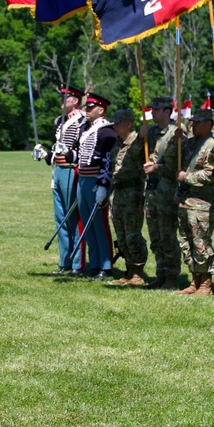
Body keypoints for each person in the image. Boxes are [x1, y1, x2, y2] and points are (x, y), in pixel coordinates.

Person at [33, 85, 85, 275]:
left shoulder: (82, 121)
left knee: (73, 218)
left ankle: (78, 261)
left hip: (72, 170)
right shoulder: (60, 121)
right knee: (60, 218)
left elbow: (81, 150)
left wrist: (68, 153)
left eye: (66, 97)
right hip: (58, 171)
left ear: (75, 100)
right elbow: (57, 151)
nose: (61, 101)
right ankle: (65, 261)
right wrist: (46, 154)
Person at [65, 93, 117, 278]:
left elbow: (107, 160)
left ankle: (106, 265)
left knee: (100, 224)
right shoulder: (86, 129)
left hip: (96, 180)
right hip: (83, 178)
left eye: (90, 108)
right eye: (86, 107)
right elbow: (81, 156)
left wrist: (103, 184)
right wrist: (61, 153)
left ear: (100, 110)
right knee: (87, 223)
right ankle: (94, 264)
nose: (85, 111)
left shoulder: (106, 131)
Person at [174, 109, 214, 296]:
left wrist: (185, 177)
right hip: (186, 199)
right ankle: (194, 280)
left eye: (197, 122)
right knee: (186, 241)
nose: (192, 125)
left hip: (202, 200)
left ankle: (205, 284)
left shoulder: (213, 145)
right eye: (192, 122)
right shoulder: (190, 143)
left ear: (208, 124)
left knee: (201, 242)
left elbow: (209, 175)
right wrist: (178, 139)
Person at [142, 96, 184, 289]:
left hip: (167, 192)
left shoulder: (177, 134)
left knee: (167, 235)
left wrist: (156, 168)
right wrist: (140, 137)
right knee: (155, 236)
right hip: (151, 192)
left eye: (157, 109)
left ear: (167, 111)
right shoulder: (150, 133)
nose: (152, 112)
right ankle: (160, 273)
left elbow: (178, 167)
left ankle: (172, 276)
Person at [106, 108, 147, 286]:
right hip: (118, 194)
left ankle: (138, 272)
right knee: (121, 235)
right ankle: (129, 271)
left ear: (128, 124)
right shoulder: (118, 143)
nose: (114, 125)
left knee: (133, 235)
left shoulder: (137, 142)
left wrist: (142, 200)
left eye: (117, 122)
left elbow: (143, 174)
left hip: (133, 194)